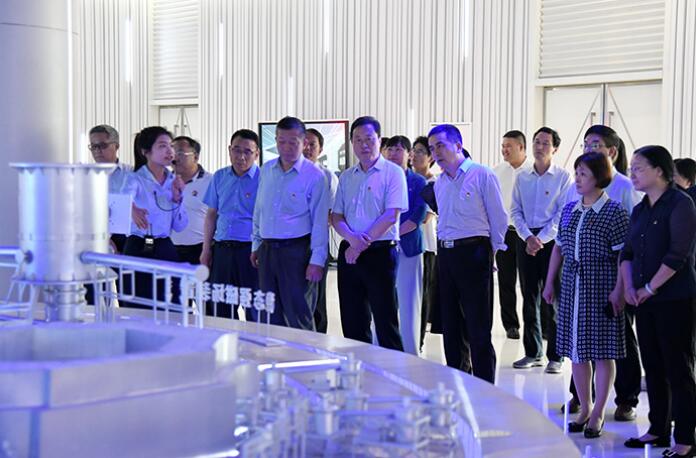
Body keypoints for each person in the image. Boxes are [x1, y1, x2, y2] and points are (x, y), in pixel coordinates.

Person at [543, 152, 630, 439]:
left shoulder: (615, 211)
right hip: (571, 285)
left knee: (603, 351)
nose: (578, 179)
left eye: (584, 174)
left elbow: (623, 257)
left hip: (602, 284)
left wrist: (619, 290)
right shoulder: (570, 209)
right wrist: (549, 282)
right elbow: (558, 248)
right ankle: (585, 406)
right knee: (577, 351)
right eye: (577, 173)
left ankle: (599, 412)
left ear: (599, 177)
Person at [563, 125, 644, 421]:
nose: (589, 148)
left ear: (611, 151)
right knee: (579, 340)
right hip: (578, 278)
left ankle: (626, 398)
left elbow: (631, 237)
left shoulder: (624, 186)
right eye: (586, 144)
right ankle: (582, 399)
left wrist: (623, 284)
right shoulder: (576, 185)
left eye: (595, 144)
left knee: (617, 340)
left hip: (613, 276)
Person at [621, 146, 696, 457]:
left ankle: (686, 439)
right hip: (644, 299)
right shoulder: (641, 209)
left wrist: (650, 288)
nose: (632, 173)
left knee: (678, 368)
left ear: (659, 171)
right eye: (632, 168)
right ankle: (658, 429)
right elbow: (627, 252)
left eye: (639, 168)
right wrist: (629, 287)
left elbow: (678, 255)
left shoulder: (681, 203)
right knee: (652, 366)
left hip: (674, 298)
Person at [430, 124, 508, 383]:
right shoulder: (440, 182)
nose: (435, 153)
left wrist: (492, 254)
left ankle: (485, 385)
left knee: (478, 327)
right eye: (432, 148)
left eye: (440, 146)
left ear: (458, 145)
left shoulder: (482, 174)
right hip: (446, 255)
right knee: (451, 327)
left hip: (474, 253)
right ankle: (458, 380)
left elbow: (499, 219)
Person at [332, 116, 407, 351]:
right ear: (351, 143)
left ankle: (392, 370)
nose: (363, 144)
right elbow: (336, 216)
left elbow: (391, 215)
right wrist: (352, 240)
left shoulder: (393, 173)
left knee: (386, 321)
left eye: (369, 139)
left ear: (379, 141)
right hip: (349, 254)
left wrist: (359, 244)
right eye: (358, 140)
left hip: (380, 253)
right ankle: (358, 368)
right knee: (353, 321)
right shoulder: (346, 176)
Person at [251, 116, 329, 330]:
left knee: (299, 315)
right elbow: (259, 209)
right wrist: (256, 245)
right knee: (269, 314)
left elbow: (320, 222)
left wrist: (317, 260)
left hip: (297, 253)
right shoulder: (266, 170)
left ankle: (307, 353)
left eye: (293, 142)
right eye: (281, 141)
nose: (286, 148)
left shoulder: (315, 176)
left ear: (304, 143)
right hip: (267, 251)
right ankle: (275, 351)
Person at [511, 127, 572, 374]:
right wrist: (528, 237)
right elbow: (515, 210)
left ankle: (556, 356)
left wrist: (541, 239)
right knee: (529, 297)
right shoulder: (522, 176)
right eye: (536, 142)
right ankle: (532, 352)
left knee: (553, 298)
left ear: (555, 148)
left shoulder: (563, 177)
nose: (540, 146)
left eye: (545, 143)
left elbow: (563, 213)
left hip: (552, 243)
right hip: (525, 240)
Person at [121, 126, 188, 308]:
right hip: (139, 246)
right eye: (162, 146)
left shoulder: (174, 181)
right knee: (138, 304)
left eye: (170, 146)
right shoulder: (135, 179)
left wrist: (178, 199)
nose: (169, 151)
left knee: (172, 304)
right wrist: (132, 209)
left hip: (164, 246)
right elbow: (121, 200)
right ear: (146, 152)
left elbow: (180, 226)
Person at [200, 129, 260, 320]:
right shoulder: (219, 177)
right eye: (236, 150)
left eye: (247, 151)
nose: (241, 156)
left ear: (257, 154)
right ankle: (226, 339)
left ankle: (253, 340)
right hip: (222, 251)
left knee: (254, 307)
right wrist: (206, 250)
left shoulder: (264, 179)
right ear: (229, 150)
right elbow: (211, 215)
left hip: (250, 252)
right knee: (221, 307)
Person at [385, 135, 427, 355]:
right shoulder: (381, 179)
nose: (393, 154)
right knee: (383, 302)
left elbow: (416, 218)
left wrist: (390, 233)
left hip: (409, 249)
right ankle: (381, 348)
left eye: (399, 150)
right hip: (383, 248)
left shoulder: (418, 182)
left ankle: (411, 352)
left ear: (409, 154)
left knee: (409, 302)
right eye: (390, 149)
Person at [85, 124, 132, 305]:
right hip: (93, 238)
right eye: (93, 146)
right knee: (94, 297)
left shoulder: (131, 174)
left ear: (116, 145)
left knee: (127, 293)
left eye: (102, 145)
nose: (97, 151)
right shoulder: (84, 176)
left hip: (124, 239)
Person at [493, 130, 531, 340]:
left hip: (527, 234)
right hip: (505, 233)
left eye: (509, 146)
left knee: (529, 282)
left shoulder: (532, 171)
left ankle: (536, 325)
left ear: (521, 147)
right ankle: (511, 325)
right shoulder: (497, 171)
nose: (504, 150)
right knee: (506, 281)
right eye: (503, 146)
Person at [303, 128, 339, 333]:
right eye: (304, 143)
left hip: (316, 245)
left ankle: (319, 341)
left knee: (317, 297)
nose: (307, 148)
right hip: (291, 245)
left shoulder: (327, 176)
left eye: (312, 144)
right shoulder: (288, 175)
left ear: (321, 149)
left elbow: (332, 213)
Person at [411, 136, 441, 349]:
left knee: (422, 295)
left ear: (431, 157)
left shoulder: (434, 184)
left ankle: (418, 340)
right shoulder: (406, 179)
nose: (415, 155)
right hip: (404, 245)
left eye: (421, 151)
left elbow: (424, 217)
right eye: (414, 150)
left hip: (425, 246)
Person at [171, 136, 212, 265]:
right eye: (172, 152)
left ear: (196, 157)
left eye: (180, 153)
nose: (175, 158)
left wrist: (208, 250)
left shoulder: (211, 182)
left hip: (200, 250)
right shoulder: (164, 181)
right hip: (169, 249)